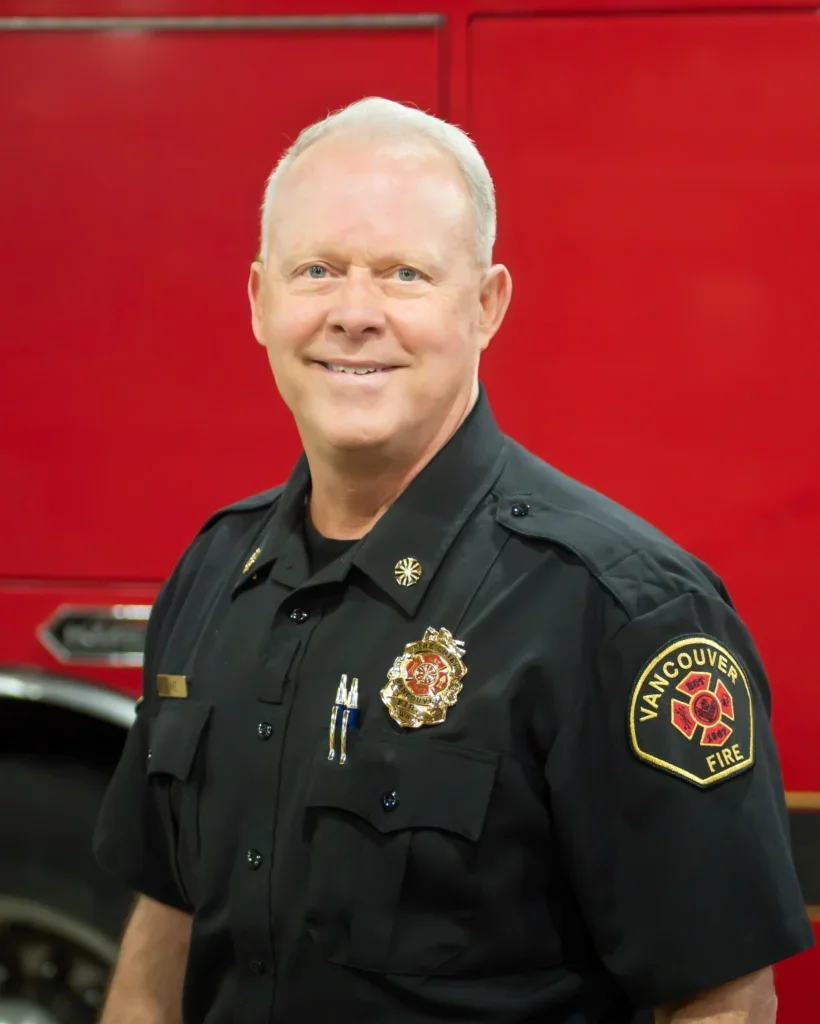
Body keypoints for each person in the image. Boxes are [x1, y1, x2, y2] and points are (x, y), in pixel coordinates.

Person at [93, 97, 812, 1024]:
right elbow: (170, 918)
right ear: (260, 301)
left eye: (404, 274)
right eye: (317, 271)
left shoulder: (619, 611)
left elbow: (724, 1002)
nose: (355, 314)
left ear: (485, 306)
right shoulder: (213, 577)